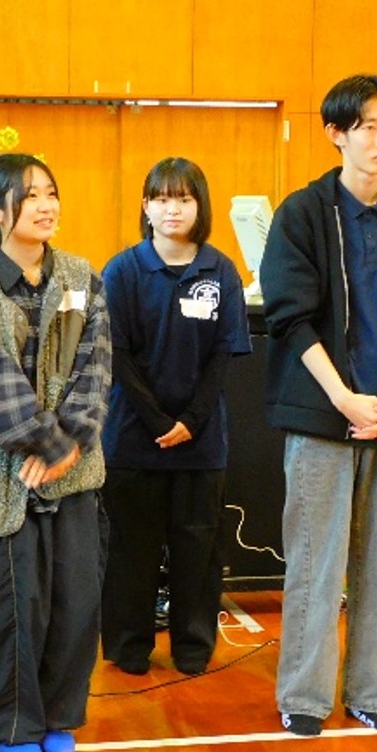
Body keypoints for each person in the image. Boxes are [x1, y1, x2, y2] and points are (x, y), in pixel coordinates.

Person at [259, 74, 377, 737]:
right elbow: (290, 317)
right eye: (367, 127)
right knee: (316, 563)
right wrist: (342, 397)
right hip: (324, 418)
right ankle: (304, 697)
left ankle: (371, 691)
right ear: (335, 134)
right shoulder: (303, 215)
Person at [0, 153, 110, 752]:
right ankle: (12, 724)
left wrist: (70, 445)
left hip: (74, 472)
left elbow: (97, 368)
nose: (46, 206)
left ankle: (61, 714)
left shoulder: (81, 276)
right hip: (2, 474)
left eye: (51, 192)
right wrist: (48, 445)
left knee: (75, 601)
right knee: (14, 608)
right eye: (31, 195)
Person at [99, 158, 252, 676]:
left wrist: (191, 419)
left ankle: (193, 647)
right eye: (162, 199)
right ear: (146, 206)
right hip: (131, 438)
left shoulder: (220, 271)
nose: (172, 209)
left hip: (201, 443)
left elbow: (222, 356)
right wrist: (157, 420)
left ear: (199, 206)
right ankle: (128, 647)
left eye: (183, 199)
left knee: (198, 549)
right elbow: (117, 354)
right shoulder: (122, 271)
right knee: (131, 551)